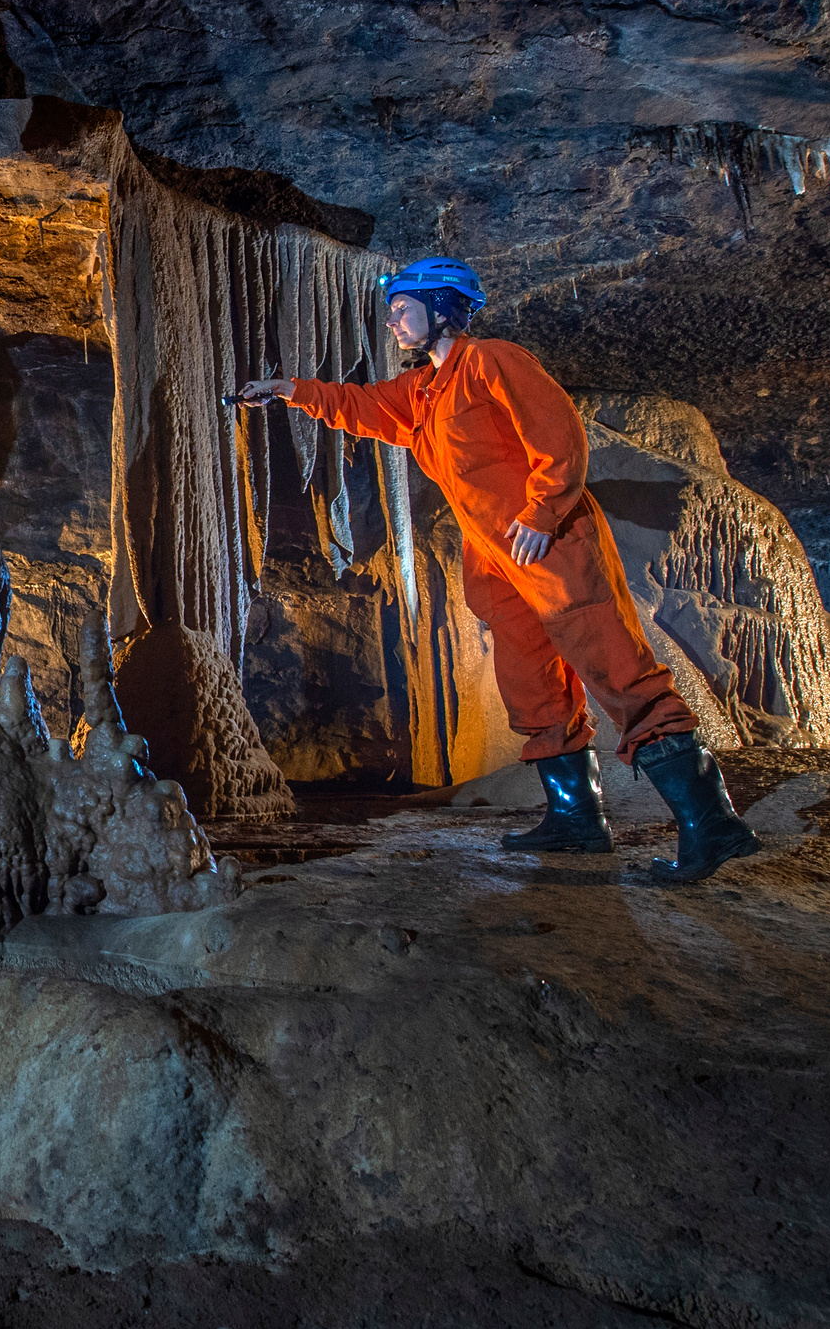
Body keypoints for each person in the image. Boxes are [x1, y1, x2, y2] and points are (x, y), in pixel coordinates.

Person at [237, 257, 760, 882]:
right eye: (393, 309)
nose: (393, 320)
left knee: (616, 666)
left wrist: (543, 511)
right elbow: (361, 405)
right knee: (530, 684)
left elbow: (558, 433)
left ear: (441, 308)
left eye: (403, 308)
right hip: (496, 555)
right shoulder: (423, 392)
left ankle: (713, 825)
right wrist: (290, 390)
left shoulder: (491, 361)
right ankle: (576, 818)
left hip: (551, 539)